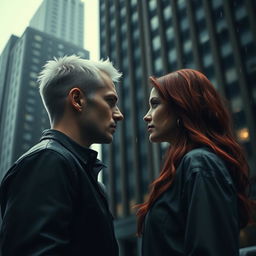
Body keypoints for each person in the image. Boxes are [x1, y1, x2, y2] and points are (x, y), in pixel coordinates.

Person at [0, 55, 124, 255]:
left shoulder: (74, 168)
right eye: (110, 101)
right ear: (77, 100)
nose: (119, 114)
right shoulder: (47, 161)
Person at [137, 69, 254, 256]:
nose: (147, 115)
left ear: (181, 106)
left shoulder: (200, 163)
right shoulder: (186, 165)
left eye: (155, 104)